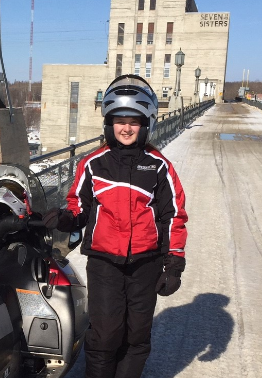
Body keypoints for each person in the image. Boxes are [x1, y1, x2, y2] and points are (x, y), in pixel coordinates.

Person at [43, 74, 188, 378]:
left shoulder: (159, 166)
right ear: (109, 123)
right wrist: (67, 218)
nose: (126, 128)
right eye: (120, 120)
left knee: (137, 335)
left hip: (145, 263)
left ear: (145, 123)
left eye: (133, 121)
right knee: (106, 334)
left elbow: (173, 215)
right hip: (104, 262)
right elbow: (78, 205)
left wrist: (173, 264)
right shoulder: (94, 163)